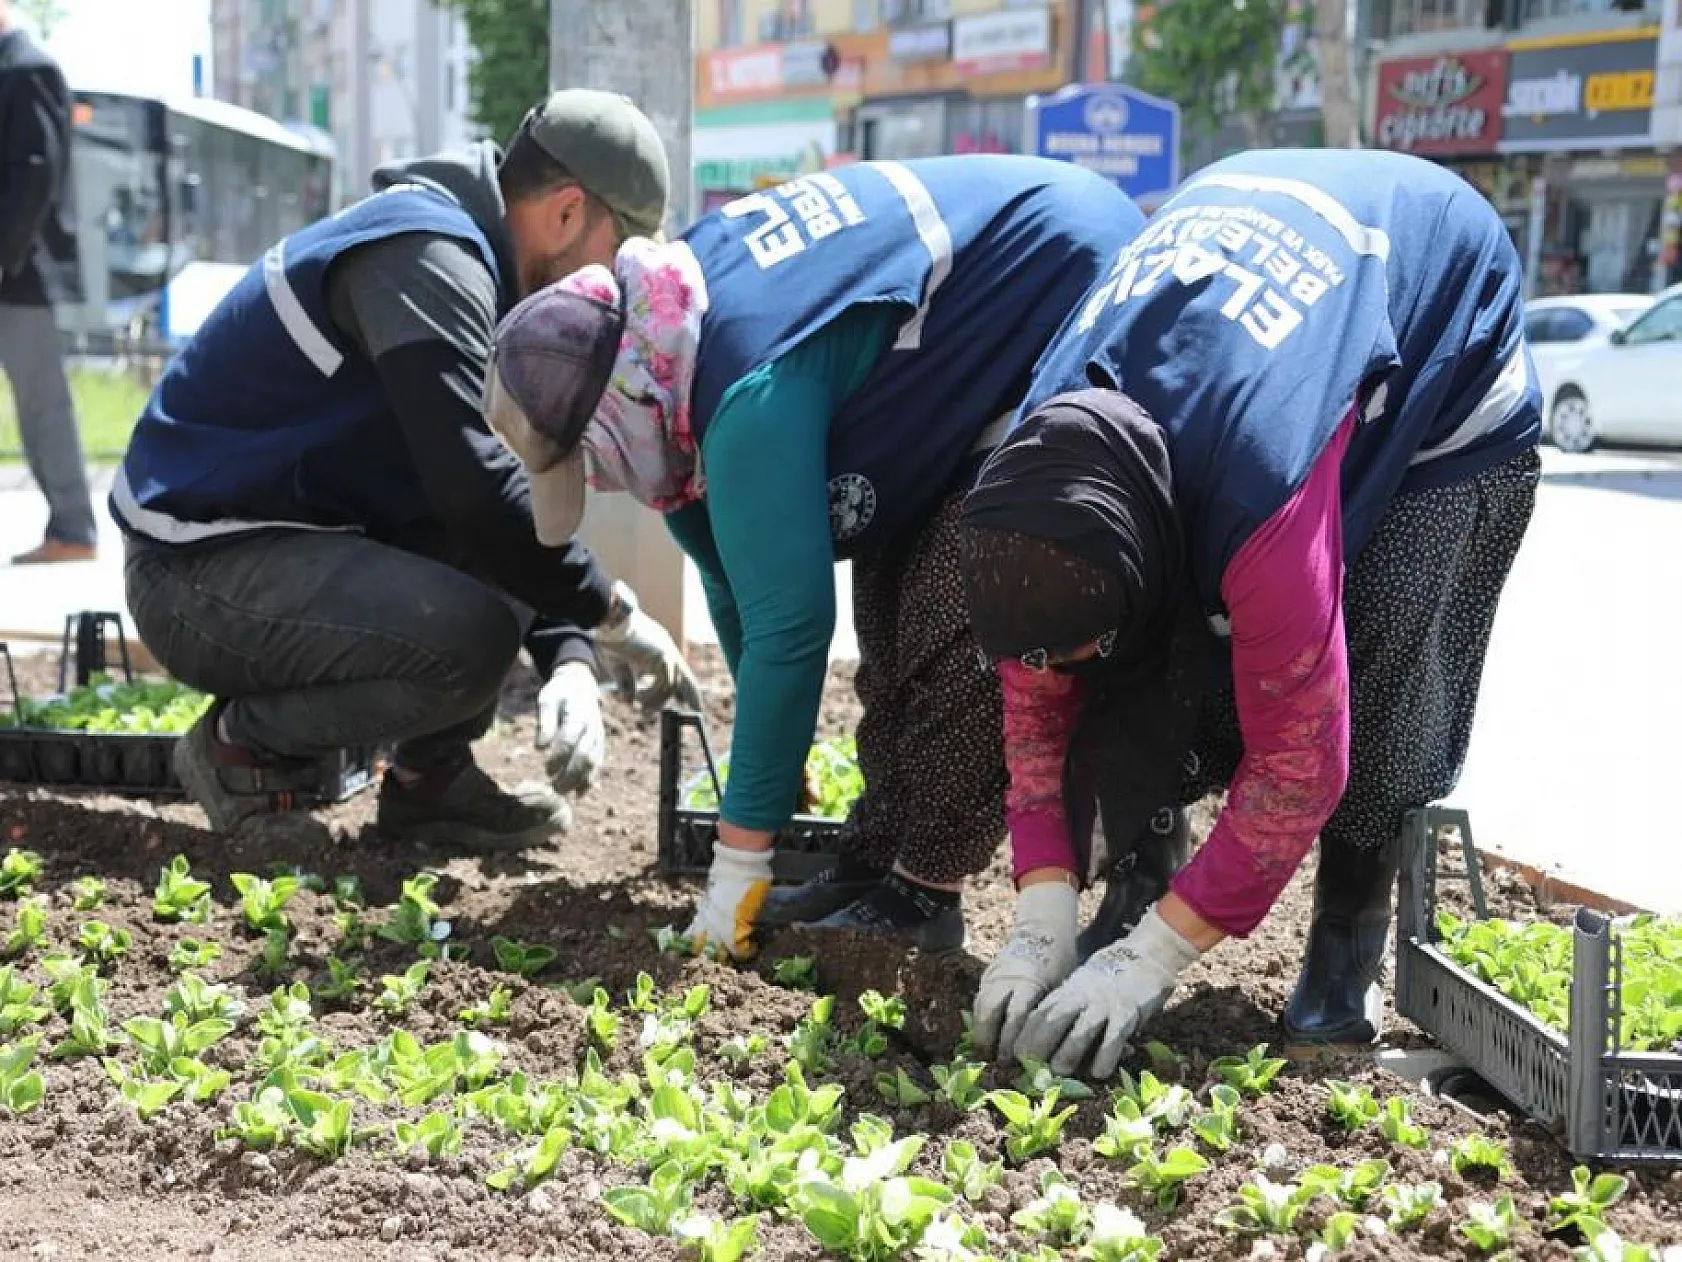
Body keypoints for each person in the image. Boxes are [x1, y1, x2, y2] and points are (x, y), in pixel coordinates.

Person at [960, 147, 1541, 1078]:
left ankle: (1347, 937)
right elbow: (1037, 710)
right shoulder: (1033, 488)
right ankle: (1144, 869)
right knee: (1123, 668)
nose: (1049, 670)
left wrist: (1154, 959)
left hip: (1443, 357)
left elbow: (1302, 761)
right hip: (1265, 325)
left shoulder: (1257, 493)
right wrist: (1040, 913)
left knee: (1381, 649)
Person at [481, 156, 1145, 956]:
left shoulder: (747, 389)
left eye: (590, 462)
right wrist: (774, 769)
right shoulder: (665, 330)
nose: (601, 484)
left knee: (954, 604)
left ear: (619, 404)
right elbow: (730, 574)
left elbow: (792, 635)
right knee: (883, 613)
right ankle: (873, 862)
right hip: (982, 311)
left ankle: (923, 889)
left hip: (1062, 282)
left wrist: (737, 869)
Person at [113, 90, 699, 850]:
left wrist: (572, 657)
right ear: (565, 212)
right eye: (615, 256)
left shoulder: (478, 266)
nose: (609, 296)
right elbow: (472, 486)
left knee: (500, 563)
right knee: (467, 635)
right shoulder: (426, 257)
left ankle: (432, 785)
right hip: (195, 569)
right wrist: (608, 613)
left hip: (283, 543)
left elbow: (500, 499)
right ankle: (240, 752)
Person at [0, 0, 97, 565]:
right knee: (38, 405)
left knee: (42, 406)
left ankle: (73, 529)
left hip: (22, 275)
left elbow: (36, 172)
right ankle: (70, 526)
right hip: (13, 271)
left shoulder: (26, 68)